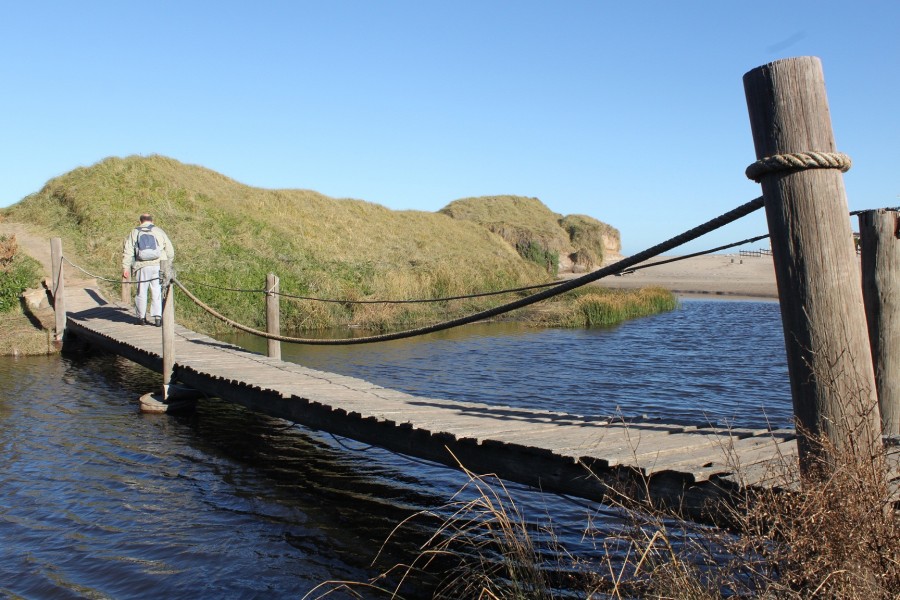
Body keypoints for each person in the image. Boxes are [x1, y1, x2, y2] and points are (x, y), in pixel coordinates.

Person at [122, 213, 175, 326]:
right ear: (152, 220)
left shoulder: (135, 232)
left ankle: (141, 318)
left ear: (140, 221)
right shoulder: (159, 231)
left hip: (142, 266)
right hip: (158, 266)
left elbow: (128, 250)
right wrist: (168, 264)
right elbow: (170, 250)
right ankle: (157, 318)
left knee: (141, 291)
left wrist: (125, 267)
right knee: (156, 290)